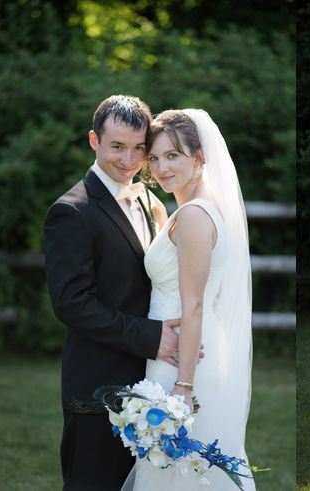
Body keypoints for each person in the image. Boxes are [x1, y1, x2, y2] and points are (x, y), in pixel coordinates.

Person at [43, 95, 182, 490]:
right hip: (97, 384)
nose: (129, 160)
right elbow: (72, 304)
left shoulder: (148, 200)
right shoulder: (71, 212)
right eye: (117, 147)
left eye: (139, 148)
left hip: (152, 382)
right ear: (94, 140)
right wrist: (153, 337)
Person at [125, 109, 254, 489]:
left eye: (173, 156)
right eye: (155, 158)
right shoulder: (193, 210)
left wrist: (183, 387)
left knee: (180, 471)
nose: (162, 167)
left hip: (184, 358)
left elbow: (194, 304)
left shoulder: (196, 216)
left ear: (199, 158)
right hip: (181, 347)